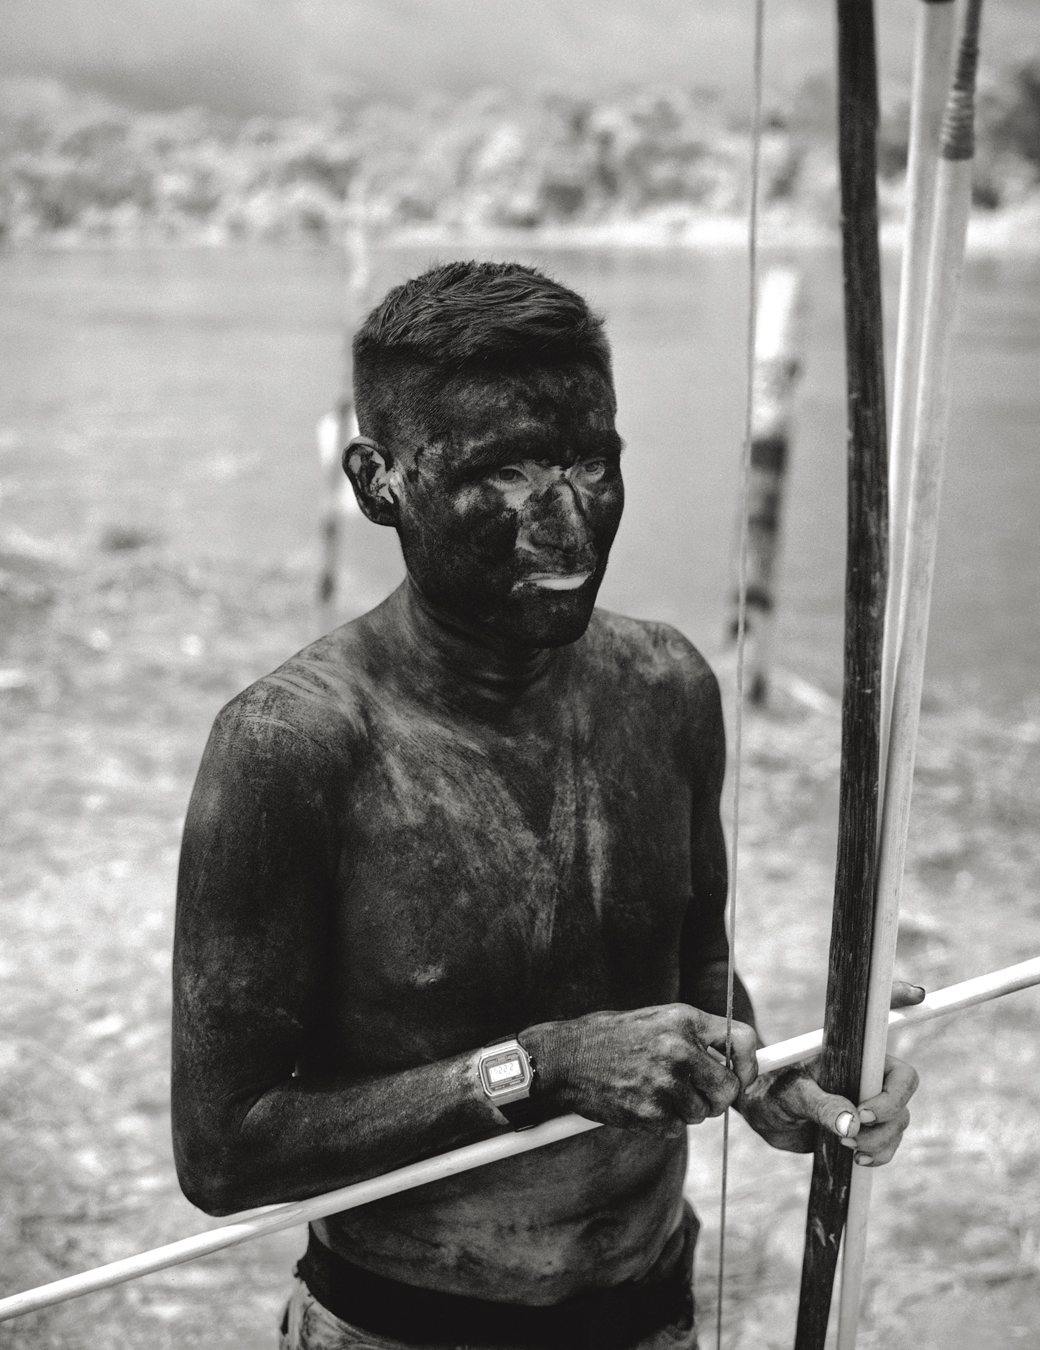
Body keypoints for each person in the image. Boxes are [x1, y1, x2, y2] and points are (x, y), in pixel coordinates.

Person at [171, 261, 919, 1350]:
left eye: (587, 461)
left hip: (650, 1310)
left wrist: (770, 1075)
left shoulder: (665, 689)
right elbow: (224, 1154)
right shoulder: (293, 747)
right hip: (400, 1326)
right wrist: (540, 1067)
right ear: (380, 483)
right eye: (507, 469)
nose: (566, 523)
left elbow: (694, 967)